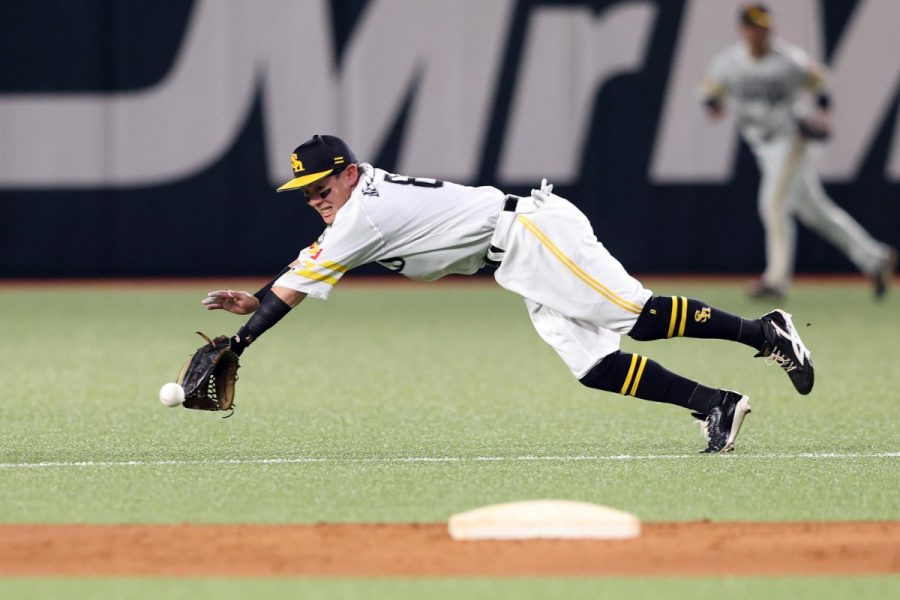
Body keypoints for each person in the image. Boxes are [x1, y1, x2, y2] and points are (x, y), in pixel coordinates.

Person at [202, 134, 814, 453]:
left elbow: (300, 283)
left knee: (637, 316)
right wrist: (258, 297)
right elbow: (304, 267)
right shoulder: (357, 209)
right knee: (595, 366)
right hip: (517, 255)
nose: (315, 198)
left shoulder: (362, 214)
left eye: (322, 185)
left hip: (532, 234)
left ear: (351, 173)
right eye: (306, 192)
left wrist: (241, 342)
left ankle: (765, 332)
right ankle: (716, 404)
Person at [700, 3, 896, 300]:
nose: (761, 33)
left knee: (773, 206)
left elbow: (820, 85)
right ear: (744, 30)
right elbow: (709, 92)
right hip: (761, 144)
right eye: (755, 27)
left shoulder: (788, 59)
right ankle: (875, 258)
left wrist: (824, 116)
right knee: (816, 211)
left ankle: (776, 280)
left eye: (765, 27)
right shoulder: (729, 62)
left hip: (789, 138)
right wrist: (713, 104)